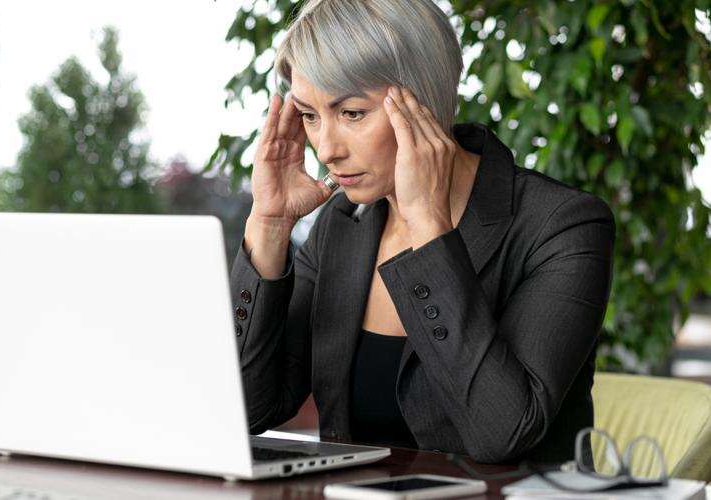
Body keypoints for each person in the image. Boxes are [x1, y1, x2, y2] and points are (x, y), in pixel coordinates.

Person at [229, 0, 615, 464]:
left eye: (352, 113)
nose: (327, 149)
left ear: (423, 100)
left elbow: (502, 434)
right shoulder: (341, 227)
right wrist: (269, 226)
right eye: (310, 116)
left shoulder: (562, 226)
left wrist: (430, 229)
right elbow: (248, 409)